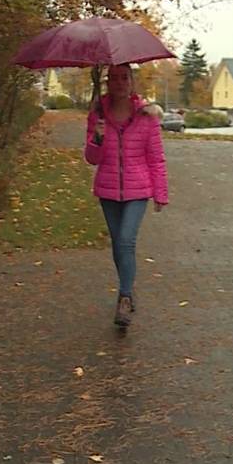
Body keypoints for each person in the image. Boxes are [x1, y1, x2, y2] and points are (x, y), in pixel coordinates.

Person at [84, 63, 169, 328]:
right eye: (114, 78)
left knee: (126, 241)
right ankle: (128, 290)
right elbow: (91, 159)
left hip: (137, 189)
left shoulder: (146, 116)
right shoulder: (98, 113)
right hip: (108, 188)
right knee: (117, 245)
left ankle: (124, 297)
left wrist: (160, 192)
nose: (119, 82)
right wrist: (96, 139)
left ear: (131, 82)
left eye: (124, 78)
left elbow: (156, 158)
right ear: (108, 81)